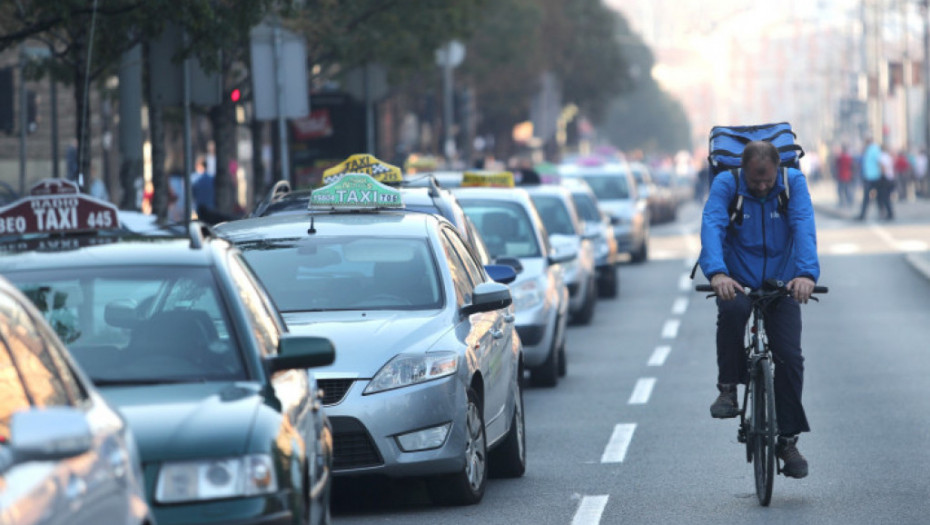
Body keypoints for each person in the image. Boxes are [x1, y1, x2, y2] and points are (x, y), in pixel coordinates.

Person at [698, 140, 820, 480]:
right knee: (733, 311)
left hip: (782, 281)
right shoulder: (727, 184)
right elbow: (712, 226)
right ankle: (727, 387)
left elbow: (804, 226)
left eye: (768, 181)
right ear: (744, 171)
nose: (763, 186)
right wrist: (718, 273)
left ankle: (787, 440)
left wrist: (806, 274)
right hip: (737, 278)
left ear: (778, 171)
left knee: (790, 358)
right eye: (756, 181)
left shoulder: (793, 183)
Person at [856, 137, 883, 220]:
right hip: (869, 176)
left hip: (875, 176)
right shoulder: (868, 150)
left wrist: (882, 173)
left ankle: (881, 213)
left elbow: (879, 161)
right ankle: (863, 214)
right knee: (869, 197)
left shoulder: (874, 149)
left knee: (877, 197)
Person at [878, 145, 895, 220]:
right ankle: (889, 212)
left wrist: (882, 175)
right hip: (890, 178)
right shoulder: (888, 157)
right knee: (887, 197)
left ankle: (889, 213)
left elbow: (883, 167)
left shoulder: (882, 156)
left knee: (884, 197)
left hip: (885, 179)